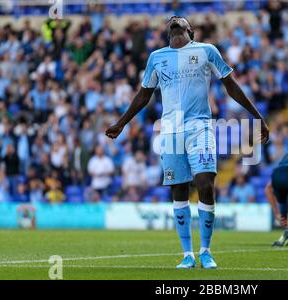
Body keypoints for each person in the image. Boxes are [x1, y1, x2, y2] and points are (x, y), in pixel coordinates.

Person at [105, 16, 269, 269]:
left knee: (205, 182)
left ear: (190, 30)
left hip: (200, 127)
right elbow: (143, 95)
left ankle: (206, 251)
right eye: (170, 21)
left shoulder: (206, 51)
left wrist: (257, 116)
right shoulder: (156, 57)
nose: (174, 21)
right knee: (179, 190)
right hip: (170, 131)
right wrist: (122, 122)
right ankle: (187, 254)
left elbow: (231, 86)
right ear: (166, 32)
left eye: (179, 20)